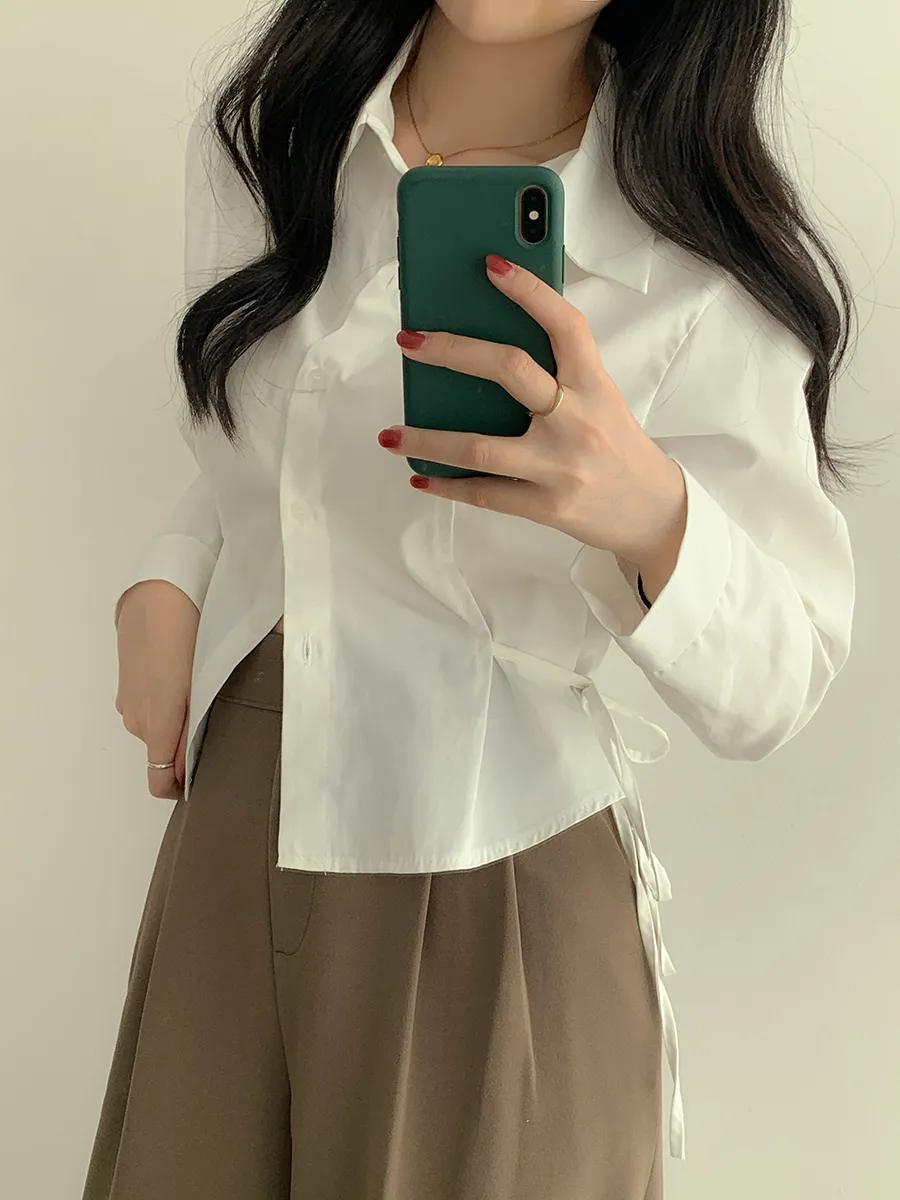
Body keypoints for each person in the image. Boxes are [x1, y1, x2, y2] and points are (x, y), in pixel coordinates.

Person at [83, 2, 857, 1198]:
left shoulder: (693, 264)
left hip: (493, 868)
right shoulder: (272, 136)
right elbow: (275, 451)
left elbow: (780, 677)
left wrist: (649, 509)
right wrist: (172, 572)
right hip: (234, 827)